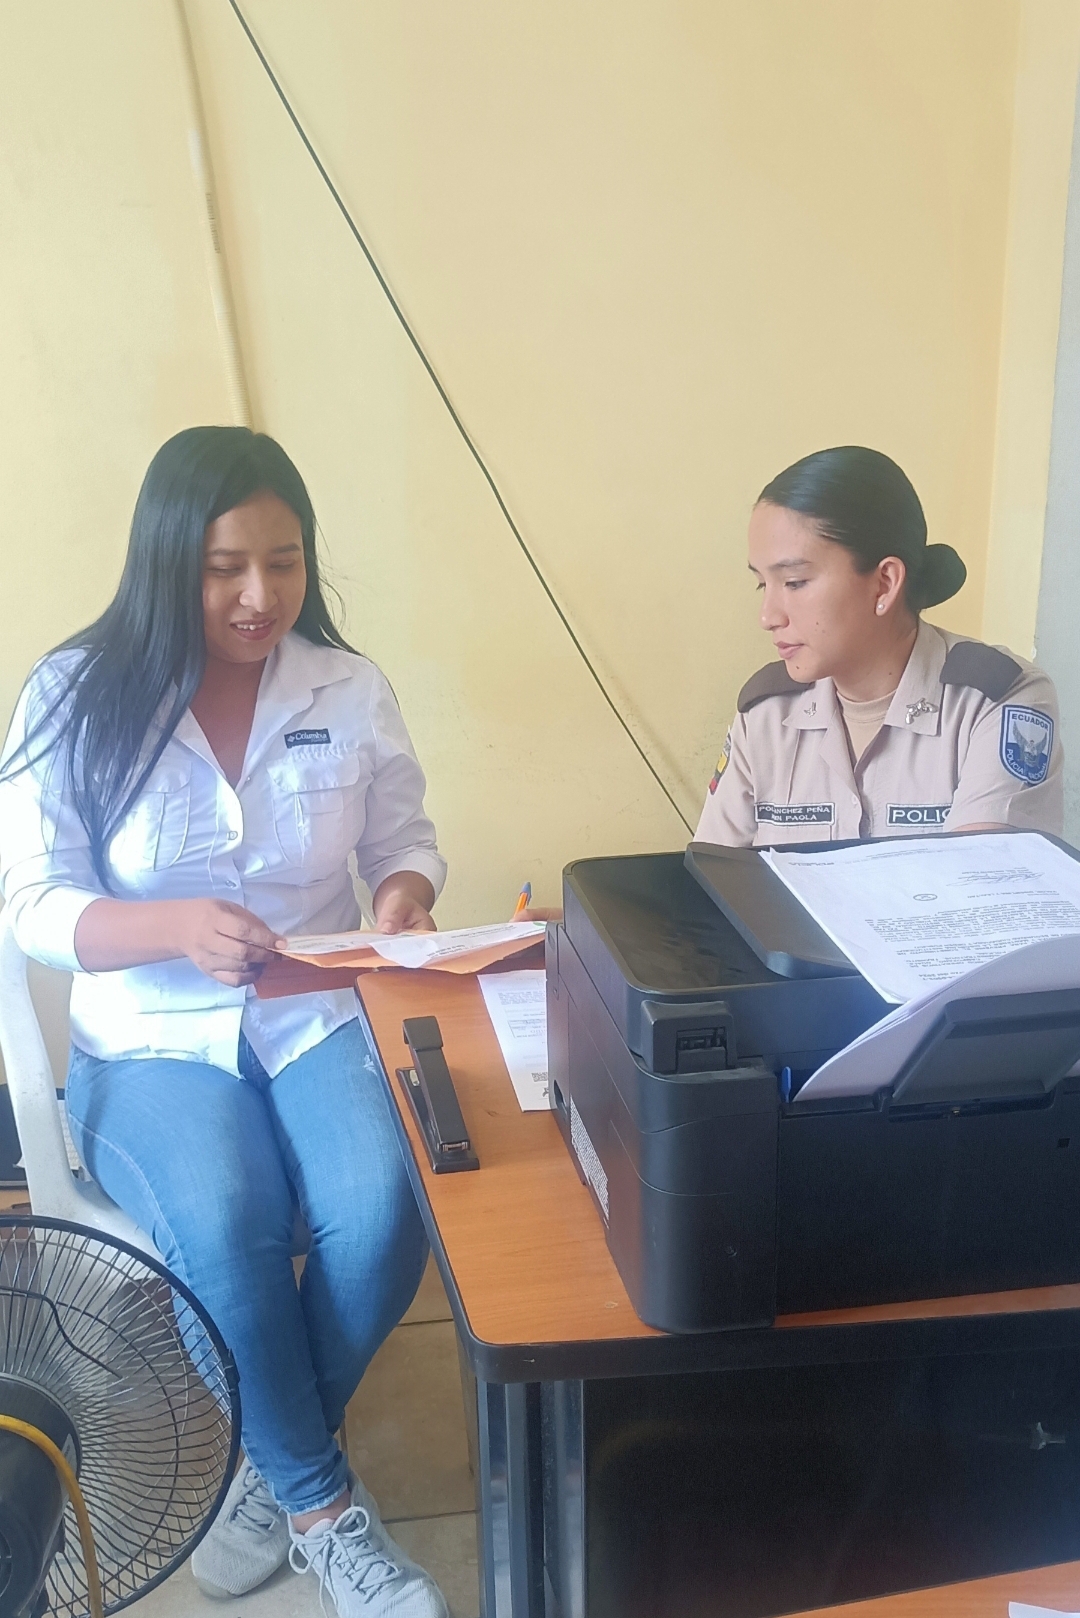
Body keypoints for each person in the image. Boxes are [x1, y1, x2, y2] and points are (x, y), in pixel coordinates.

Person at [0, 427, 450, 1617]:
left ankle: (272, 1465)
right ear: (166, 561)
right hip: (149, 1036)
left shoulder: (346, 687)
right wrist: (173, 927)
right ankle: (324, 1511)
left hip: (315, 1013)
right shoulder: (74, 693)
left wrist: (405, 894)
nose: (261, 594)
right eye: (225, 567)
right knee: (225, 1218)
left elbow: (404, 841)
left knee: (386, 1205)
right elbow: (34, 904)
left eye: (285, 561)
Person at [696, 446, 1063, 847]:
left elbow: (980, 880)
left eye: (795, 582)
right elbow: (714, 874)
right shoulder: (765, 716)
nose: (768, 616)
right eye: (762, 585)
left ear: (884, 583)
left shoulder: (993, 701)